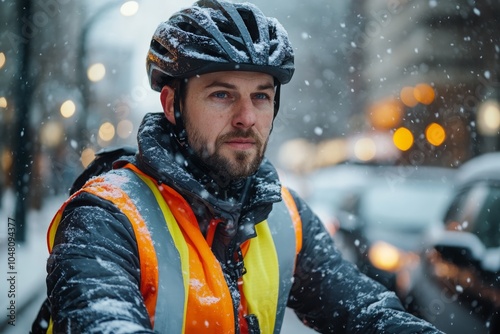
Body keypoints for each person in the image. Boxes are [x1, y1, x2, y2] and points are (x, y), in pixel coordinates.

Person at [32, 1, 444, 333]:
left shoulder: (286, 216)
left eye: (261, 97)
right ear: (172, 104)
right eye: (222, 95)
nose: (247, 117)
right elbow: (101, 320)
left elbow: (365, 311)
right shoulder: (106, 216)